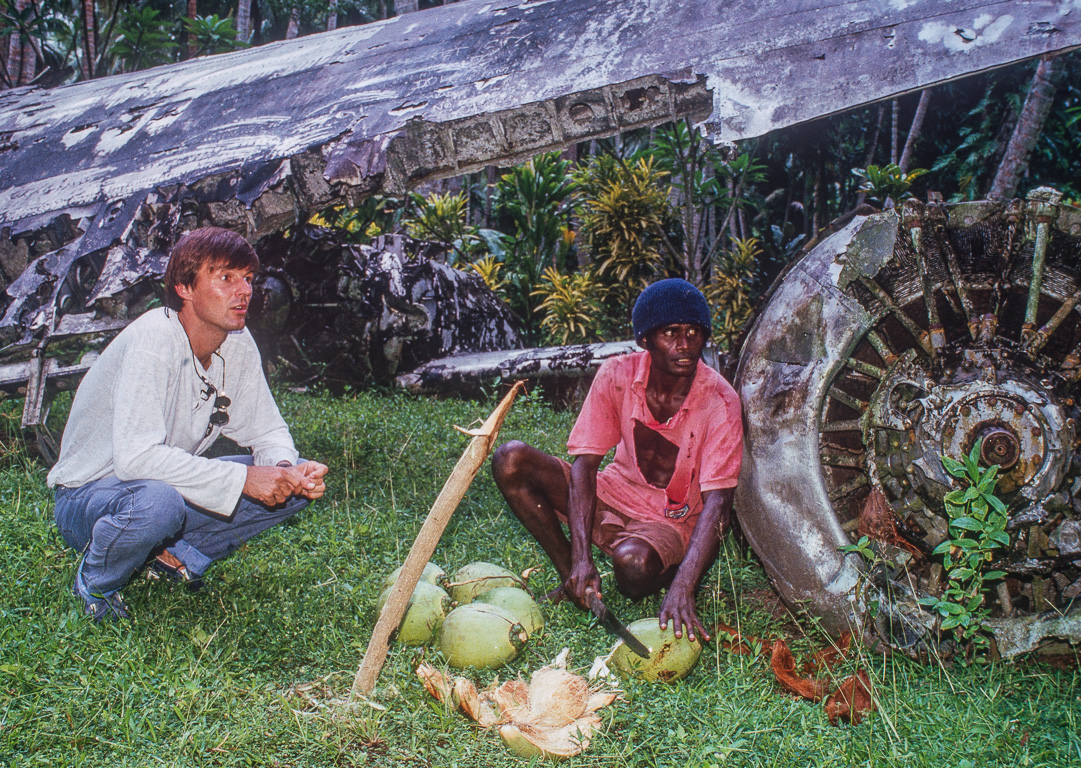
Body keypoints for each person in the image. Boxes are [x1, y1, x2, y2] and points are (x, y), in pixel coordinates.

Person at [48, 227, 329, 621]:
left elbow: (266, 431)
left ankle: (172, 558)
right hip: (89, 500)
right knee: (158, 503)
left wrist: (284, 469)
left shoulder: (237, 340)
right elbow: (135, 461)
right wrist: (245, 481)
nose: (244, 291)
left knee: (292, 487)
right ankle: (98, 581)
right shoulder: (154, 339)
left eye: (248, 278)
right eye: (226, 277)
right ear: (184, 287)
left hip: (159, 492)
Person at [492, 278, 742, 643]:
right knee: (510, 459)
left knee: (634, 568)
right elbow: (585, 466)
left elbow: (719, 501)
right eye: (671, 333)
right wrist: (580, 559)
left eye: (693, 332)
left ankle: (668, 572)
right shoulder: (618, 376)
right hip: (614, 493)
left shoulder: (720, 400)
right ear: (645, 340)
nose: (685, 345)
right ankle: (573, 581)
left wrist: (685, 587)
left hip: (670, 519)